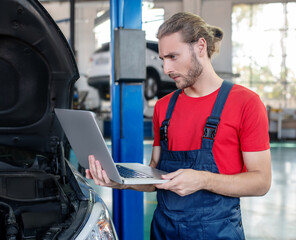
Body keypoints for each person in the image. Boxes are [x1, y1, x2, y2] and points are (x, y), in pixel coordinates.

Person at [86, 12, 271, 239]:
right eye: (163, 59)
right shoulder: (164, 107)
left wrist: (203, 179)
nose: (166, 69)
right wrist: (122, 182)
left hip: (217, 232)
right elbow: (156, 175)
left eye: (173, 56)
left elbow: (261, 181)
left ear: (200, 47)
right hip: (164, 230)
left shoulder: (245, 103)